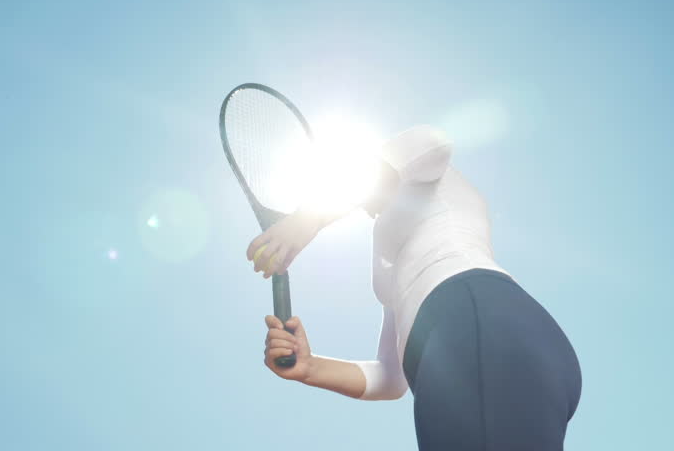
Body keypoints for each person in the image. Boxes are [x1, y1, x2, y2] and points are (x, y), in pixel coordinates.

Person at [248, 125, 582, 451]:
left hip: (477, 325)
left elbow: (431, 142)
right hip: (462, 349)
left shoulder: (431, 174)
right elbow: (391, 378)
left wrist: (307, 219)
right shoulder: (387, 250)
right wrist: (310, 367)